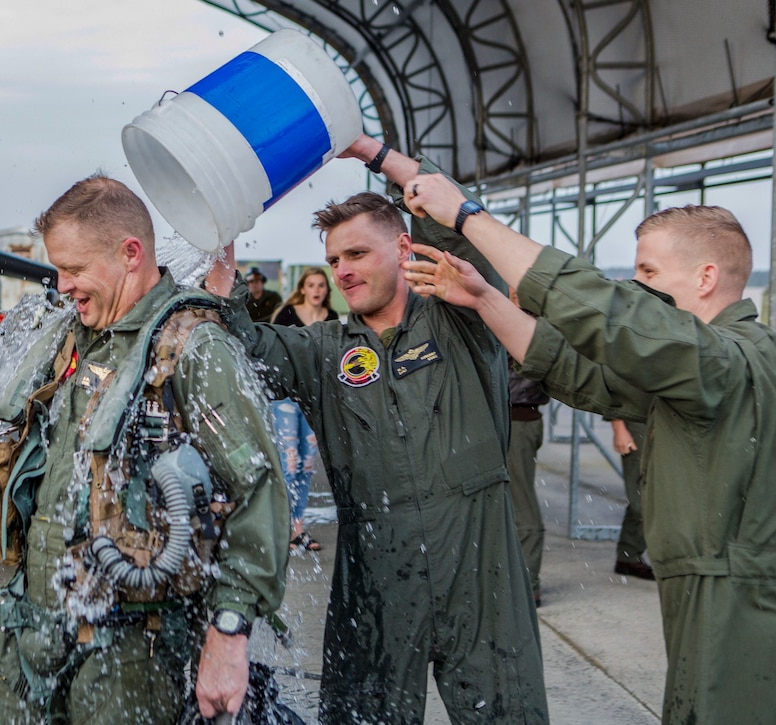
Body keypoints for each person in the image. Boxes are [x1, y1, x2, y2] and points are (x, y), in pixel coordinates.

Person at [402, 175, 776, 723]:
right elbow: (577, 371)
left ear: (706, 277)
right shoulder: (712, 367)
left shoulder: (723, 362)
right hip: (714, 595)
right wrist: (484, 298)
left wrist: (466, 216)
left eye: (648, 272)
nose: (637, 283)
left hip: (733, 603)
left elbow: (609, 312)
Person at [206, 138, 546, 724]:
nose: (342, 271)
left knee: (507, 713)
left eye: (358, 253)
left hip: (480, 566)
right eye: (335, 260)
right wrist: (223, 251)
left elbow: (461, 218)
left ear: (405, 247)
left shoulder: (463, 317)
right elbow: (240, 350)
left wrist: (371, 150)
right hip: (375, 576)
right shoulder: (324, 349)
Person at [0, 174, 288, 724]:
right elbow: (61, 465)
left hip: (134, 652)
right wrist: (2, 523)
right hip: (34, 626)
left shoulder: (195, 349)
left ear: (130, 254)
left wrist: (228, 635)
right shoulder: (71, 339)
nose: (61, 286)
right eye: (58, 269)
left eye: (74, 269)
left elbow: (257, 495)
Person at [269, 267, 338, 553]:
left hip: (314, 396)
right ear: (303, 288)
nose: (317, 290)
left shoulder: (332, 319)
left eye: (321, 285)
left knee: (307, 466)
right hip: (286, 398)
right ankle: (280, 527)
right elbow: (273, 351)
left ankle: (296, 528)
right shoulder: (286, 314)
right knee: (289, 463)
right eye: (311, 285)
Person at [507, 363, 549, 606]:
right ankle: (522, 582)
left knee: (521, 504)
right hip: (512, 415)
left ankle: (527, 584)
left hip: (517, 416)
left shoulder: (525, 324)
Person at [608, 418, 654, 580]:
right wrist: (619, 428)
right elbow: (615, 393)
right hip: (639, 419)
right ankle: (629, 555)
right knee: (641, 498)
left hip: (673, 417)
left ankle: (629, 555)